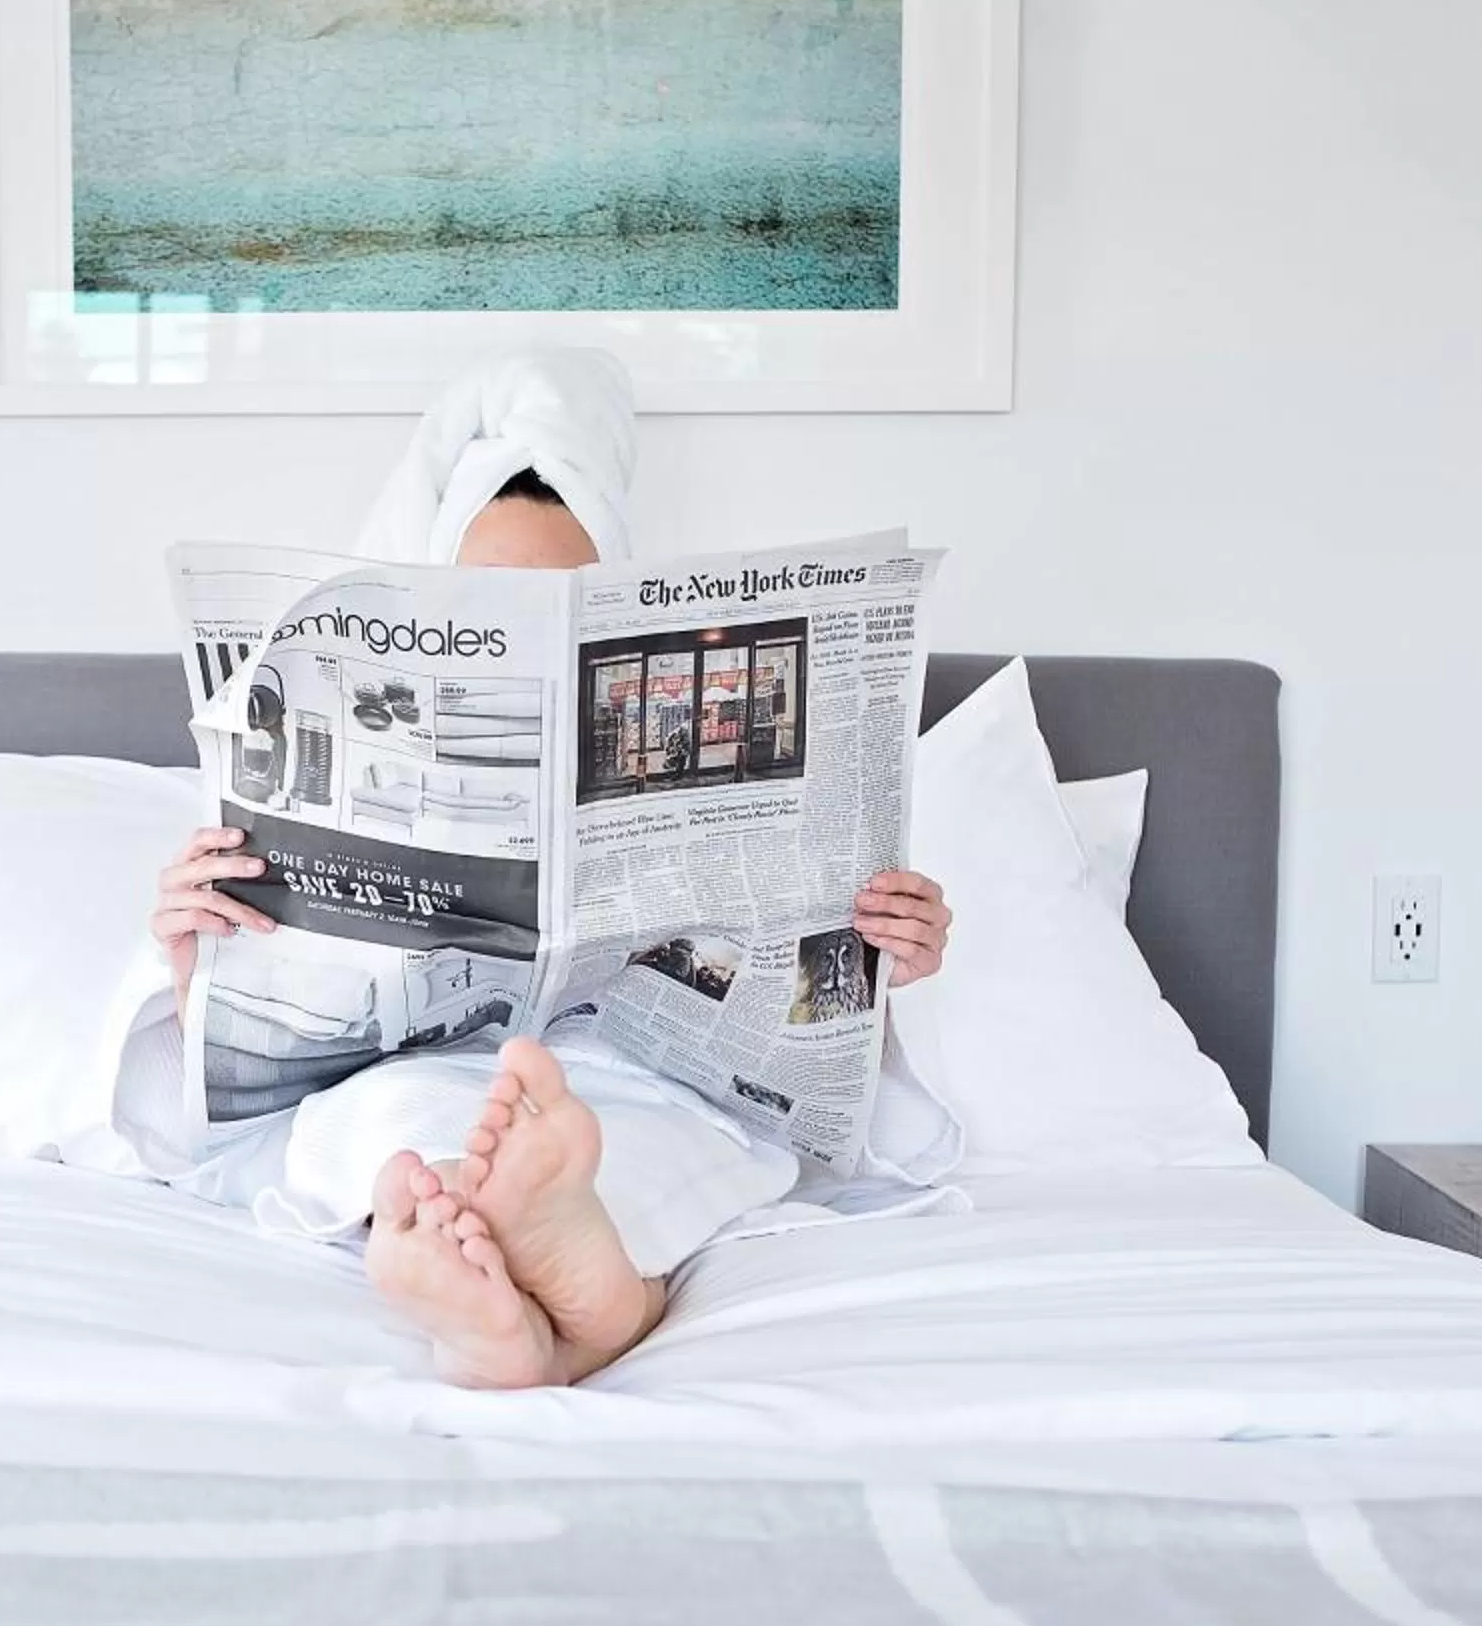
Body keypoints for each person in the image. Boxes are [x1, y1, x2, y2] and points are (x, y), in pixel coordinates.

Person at [143, 352, 952, 1390]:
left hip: (645, 1082)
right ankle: (539, 1291)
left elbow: (810, 1049)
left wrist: (882, 960)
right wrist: (189, 953)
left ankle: (478, 1282)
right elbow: (232, 1075)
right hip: (410, 1077)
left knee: (638, 1157)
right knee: (393, 1137)